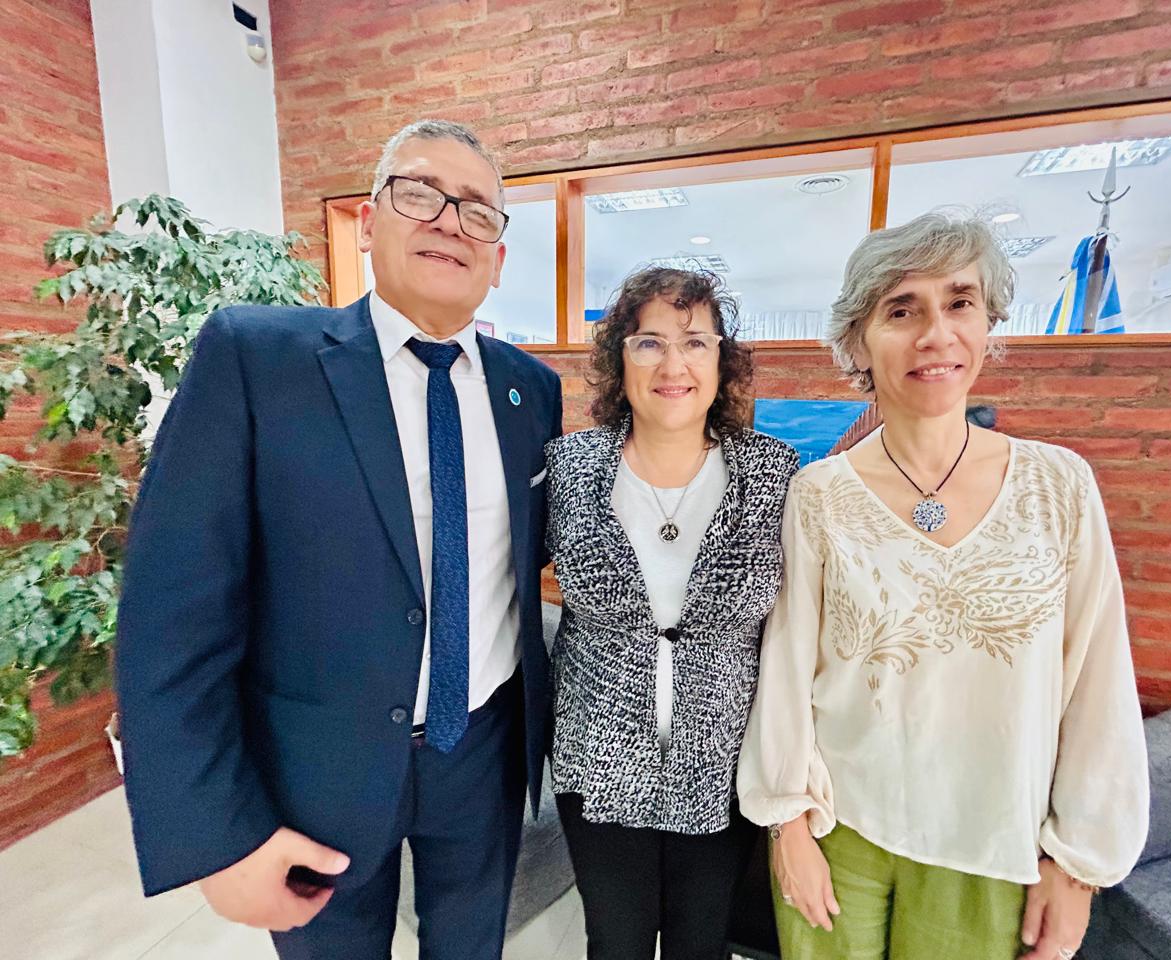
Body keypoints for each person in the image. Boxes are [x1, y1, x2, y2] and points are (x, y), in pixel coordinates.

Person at [116, 119, 562, 960]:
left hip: (484, 756)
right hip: (316, 772)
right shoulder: (256, 359)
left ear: (498, 258)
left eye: (477, 211)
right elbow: (170, 614)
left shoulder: (530, 391)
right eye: (420, 194)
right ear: (367, 222)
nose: (449, 222)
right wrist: (217, 834)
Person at [737, 212, 1149, 960]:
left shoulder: (1058, 486)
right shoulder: (819, 494)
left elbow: (1098, 681)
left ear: (989, 324)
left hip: (991, 841)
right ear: (858, 341)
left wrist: (1080, 864)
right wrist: (786, 824)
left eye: (959, 303)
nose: (935, 334)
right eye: (901, 311)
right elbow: (788, 669)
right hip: (840, 833)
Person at [544, 267, 798, 960]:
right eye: (649, 342)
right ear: (619, 359)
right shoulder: (569, 468)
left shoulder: (774, 474)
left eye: (695, 343)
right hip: (597, 757)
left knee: (701, 943)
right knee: (615, 943)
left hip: (722, 761)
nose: (673, 365)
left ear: (721, 361)